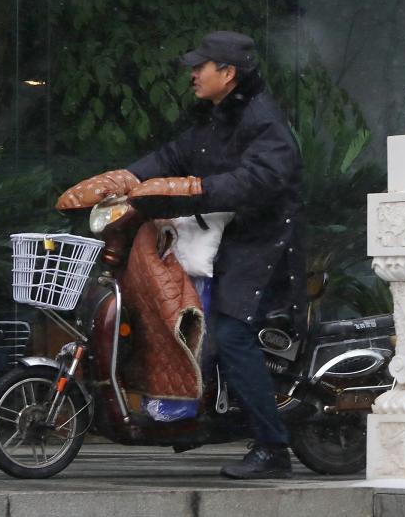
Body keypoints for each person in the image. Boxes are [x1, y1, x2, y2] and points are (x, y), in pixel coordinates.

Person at [120, 30, 304, 480]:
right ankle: (200, 411)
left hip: (262, 243)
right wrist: (123, 177)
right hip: (226, 239)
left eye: (200, 67)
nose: (193, 75)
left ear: (228, 73)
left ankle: (273, 448)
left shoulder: (264, 121)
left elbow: (259, 181)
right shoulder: (216, 116)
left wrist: (194, 190)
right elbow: (174, 154)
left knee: (230, 334)